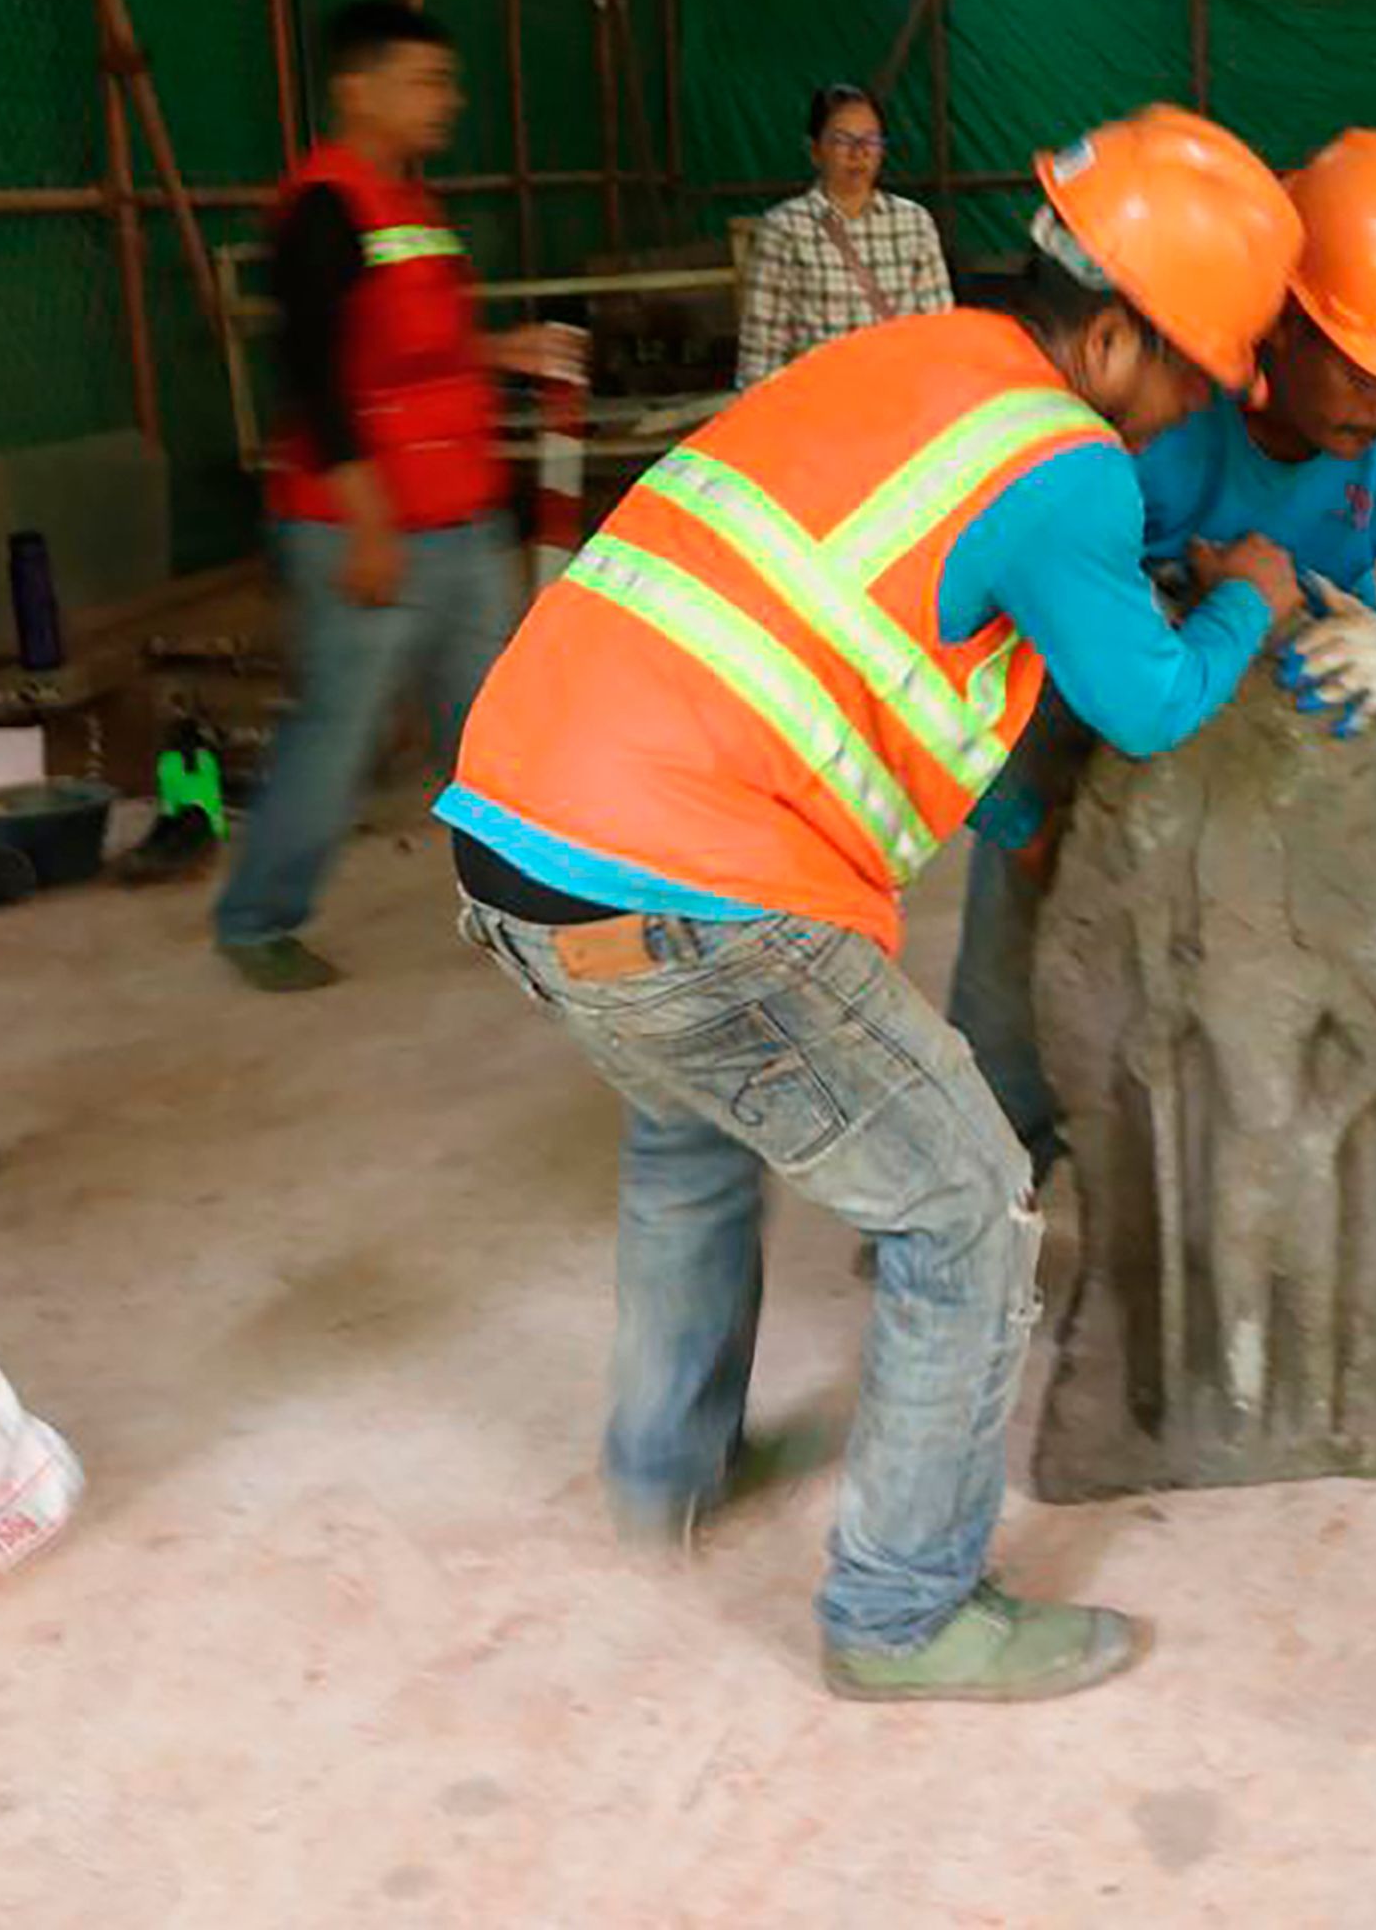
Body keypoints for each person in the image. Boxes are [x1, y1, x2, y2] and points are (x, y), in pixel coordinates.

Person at [436, 105, 1305, 1705]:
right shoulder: (1061, 468)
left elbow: (876, 634)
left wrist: (1017, 806)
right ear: (1111, 335)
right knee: (966, 1205)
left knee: (692, 1120)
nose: (1188, 413)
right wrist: (1255, 581)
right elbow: (1154, 697)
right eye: (1191, 374)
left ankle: (668, 1462)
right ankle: (903, 1611)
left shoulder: (900, 367)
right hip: (689, 880)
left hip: (512, 840)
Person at [950, 128, 1376, 1317]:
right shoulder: (1164, 380)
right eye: (1364, 371)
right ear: (1278, 329)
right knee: (1026, 913)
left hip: (1317, 666)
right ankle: (979, 1196)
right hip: (1115, 664)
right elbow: (1049, 577)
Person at [213, 0, 585, 993]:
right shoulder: (323, 206)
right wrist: (369, 528)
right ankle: (257, 917)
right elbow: (316, 376)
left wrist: (499, 349)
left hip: (459, 517)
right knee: (337, 733)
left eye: (446, 82)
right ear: (357, 88)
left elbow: (413, 346)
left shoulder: (411, 207)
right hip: (364, 523)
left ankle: (535, 904)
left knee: (495, 722)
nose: (445, 101)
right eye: (425, 81)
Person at [735, 84, 952, 387]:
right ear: (814, 150)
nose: (858, 152)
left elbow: (938, 334)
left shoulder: (914, 223)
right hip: (819, 408)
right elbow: (761, 355)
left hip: (900, 403)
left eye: (870, 140)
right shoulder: (785, 228)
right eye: (841, 140)